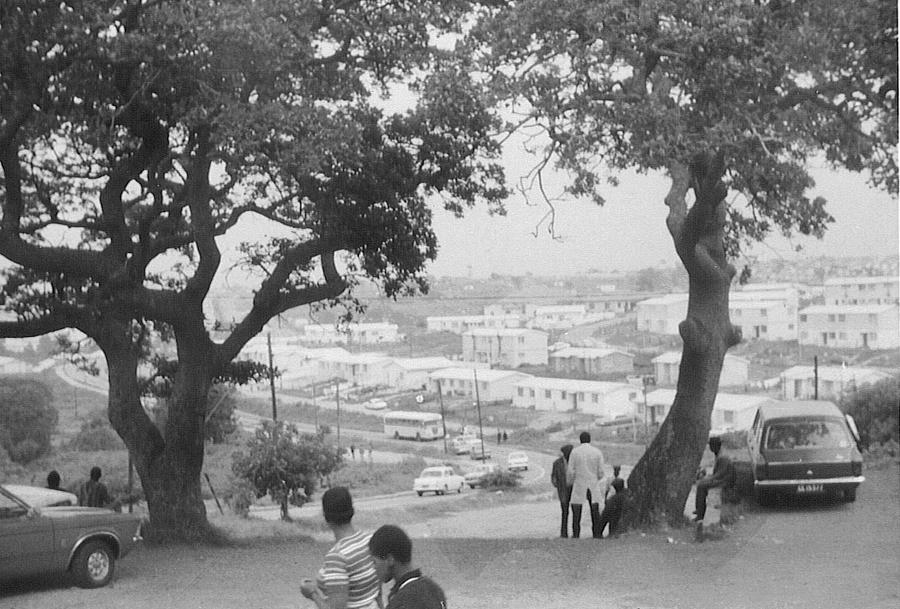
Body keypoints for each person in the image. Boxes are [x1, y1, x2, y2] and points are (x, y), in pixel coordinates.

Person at [300, 487, 381, 609]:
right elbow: (378, 592)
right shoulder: (370, 541)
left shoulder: (338, 556)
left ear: (326, 516)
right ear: (352, 510)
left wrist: (313, 594)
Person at [368, 524, 447, 609]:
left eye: (374, 562)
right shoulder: (434, 589)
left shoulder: (402, 601)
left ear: (390, 559)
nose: (373, 568)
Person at [566, 431, 606, 538]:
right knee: (594, 510)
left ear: (580, 440)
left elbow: (570, 471)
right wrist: (595, 478)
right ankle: (597, 533)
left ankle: (576, 534)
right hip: (592, 484)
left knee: (577, 510)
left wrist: (572, 480)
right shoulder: (597, 452)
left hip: (579, 483)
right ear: (590, 440)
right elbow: (601, 472)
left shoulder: (575, 452)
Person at [694, 436, 736, 522]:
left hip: (725, 481)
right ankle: (699, 508)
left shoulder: (722, 457)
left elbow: (720, 474)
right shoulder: (719, 454)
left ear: (715, 446)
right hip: (724, 478)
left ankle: (700, 513)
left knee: (701, 486)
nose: (710, 448)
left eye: (711, 446)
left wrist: (708, 479)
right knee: (702, 484)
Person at [550, 444, 574, 538]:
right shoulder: (557, 463)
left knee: (576, 511)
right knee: (565, 511)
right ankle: (564, 533)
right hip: (563, 489)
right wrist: (556, 484)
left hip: (574, 489)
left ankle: (575, 533)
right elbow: (553, 476)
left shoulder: (575, 462)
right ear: (564, 453)